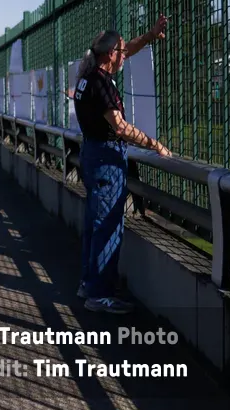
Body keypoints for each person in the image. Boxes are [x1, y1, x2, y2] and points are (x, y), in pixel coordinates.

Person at [73, 21, 172, 314]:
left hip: (92, 152)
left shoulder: (87, 75)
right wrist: (154, 144)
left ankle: (89, 283)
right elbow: (120, 127)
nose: (124, 54)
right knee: (108, 227)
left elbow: (129, 49)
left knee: (95, 224)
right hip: (106, 157)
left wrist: (151, 36)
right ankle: (99, 294)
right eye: (119, 50)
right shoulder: (102, 84)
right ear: (108, 55)